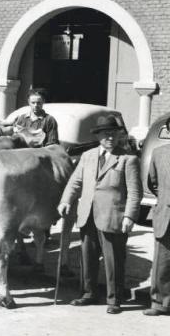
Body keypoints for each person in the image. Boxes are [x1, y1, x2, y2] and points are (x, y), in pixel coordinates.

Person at [58, 114, 142, 314]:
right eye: (105, 134)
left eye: (113, 133)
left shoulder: (128, 159)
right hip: (87, 214)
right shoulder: (88, 156)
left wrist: (130, 216)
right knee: (87, 256)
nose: (110, 138)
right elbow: (75, 182)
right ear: (98, 136)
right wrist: (65, 200)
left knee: (114, 260)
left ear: (118, 135)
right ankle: (88, 293)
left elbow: (135, 192)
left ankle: (114, 299)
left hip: (113, 216)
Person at [144, 123, 170, 315]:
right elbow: (152, 182)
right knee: (162, 260)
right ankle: (160, 302)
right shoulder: (159, 152)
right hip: (165, 213)